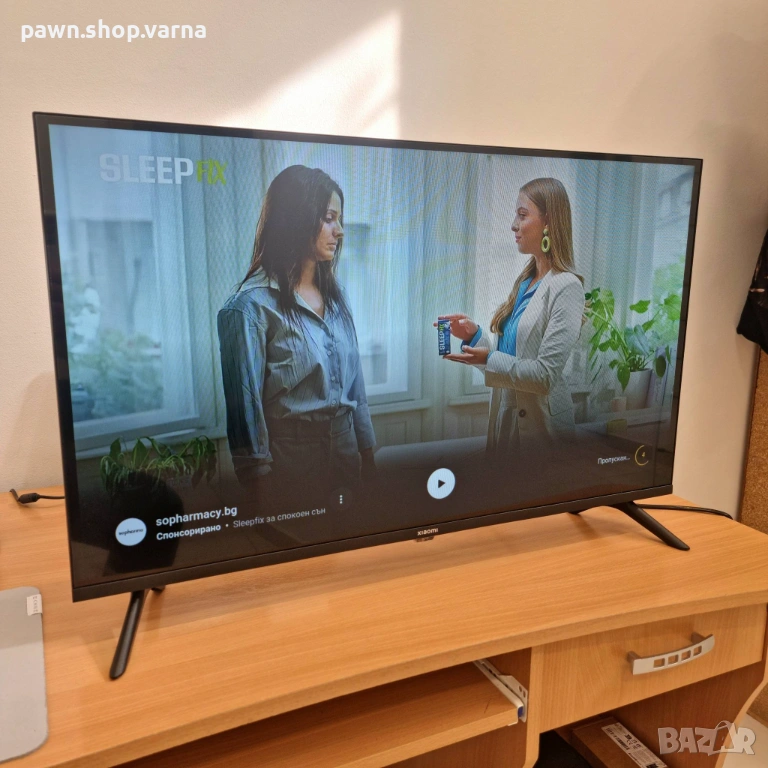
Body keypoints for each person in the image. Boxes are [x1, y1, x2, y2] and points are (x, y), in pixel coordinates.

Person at [217, 165, 376, 505]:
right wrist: (260, 487)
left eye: (340, 219)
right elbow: (245, 409)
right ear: (297, 219)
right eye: (329, 218)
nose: (340, 231)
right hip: (292, 465)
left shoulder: (338, 297)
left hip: (346, 454)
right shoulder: (248, 308)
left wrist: (367, 452)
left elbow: (356, 385)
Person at [440, 177, 583, 460]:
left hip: (545, 435)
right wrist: (474, 336)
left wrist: (488, 358)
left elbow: (544, 377)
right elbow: (506, 364)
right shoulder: (524, 283)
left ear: (548, 221)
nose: (513, 225)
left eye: (522, 215)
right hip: (506, 426)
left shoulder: (566, 287)